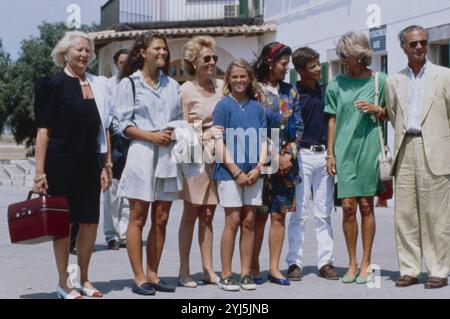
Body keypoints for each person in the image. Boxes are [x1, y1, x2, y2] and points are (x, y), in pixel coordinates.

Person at [33, 31, 112, 299]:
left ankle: (84, 278)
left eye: (88, 51)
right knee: (63, 224)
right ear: (64, 53)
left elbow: (104, 129)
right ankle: (63, 282)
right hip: (61, 164)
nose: (84, 55)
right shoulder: (53, 85)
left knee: (90, 222)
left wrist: (106, 165)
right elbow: (43, 132)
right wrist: (39, 173)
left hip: (90, 163)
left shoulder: (98, 85)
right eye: (79, 50)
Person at [113, 32, 182, 295]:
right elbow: (121, 125)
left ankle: (153, 273)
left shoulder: (173, 86)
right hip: (141, 152)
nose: (163, 53)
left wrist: (175, 132)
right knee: (138, 216)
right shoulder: (129, 84)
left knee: (162, 218)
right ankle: (139, 276)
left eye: (164, 49)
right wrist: (152, 135)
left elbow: (178, 119)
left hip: (166, 154)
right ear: (142, 52)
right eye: (157, 49)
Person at [385, 25, 450, 289]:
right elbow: (392, 113)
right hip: (405, 147)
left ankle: (438, 270)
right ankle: (410, 268)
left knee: (436, 214)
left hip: (434, 147)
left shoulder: (444, 76)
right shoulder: (394, 80)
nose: (420, 47)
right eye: (414, 44)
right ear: (403, 47)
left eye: (423, 42)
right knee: (406, 214)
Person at [324, 32, 388, 284]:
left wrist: (377, 109)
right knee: (348, 207)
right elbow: (332, 119)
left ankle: (366, 263)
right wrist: (330, 153)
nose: (342, 59)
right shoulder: (336, 84)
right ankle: (351, 263)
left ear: (360, 55)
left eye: (345, 55)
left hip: (369, 148)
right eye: (339, 54)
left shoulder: (379, 80)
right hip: (344, 149)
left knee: (366, 205)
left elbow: (391, 114)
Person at [213, 58, 268, 291]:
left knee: (249, 221)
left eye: (242, 76)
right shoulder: (223, 106)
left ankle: (245, 272)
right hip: (229, 173)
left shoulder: (257, 107)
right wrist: (236, 172)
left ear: (249, 78)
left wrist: (257, 168)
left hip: (254, 173)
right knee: (233, 220)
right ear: (228, 79)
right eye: (234, 76)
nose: (238, 80)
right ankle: (226, 273)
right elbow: (218, 142)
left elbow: (265, 140)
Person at [252, 42, 303, 285]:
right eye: (283, 64)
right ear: (270, 62)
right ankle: (253, 266)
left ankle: (274, 268)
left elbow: (298, 127)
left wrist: (288, 155)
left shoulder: (290, 91)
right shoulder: (254, 90)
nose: (286, 68)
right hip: (260, 162)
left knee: (279, 215)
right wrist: (273, 157)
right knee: (258, 215)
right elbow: (254, 128)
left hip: (285, 164)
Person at [286, 47, 338, 281]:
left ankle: (326, 262)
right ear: (300, 71)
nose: (318, 69)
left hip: (323, 155)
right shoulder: (293, 94)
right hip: (301, 157)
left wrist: (331, 154)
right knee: (299, 213)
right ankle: (294, 263)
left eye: (319, 64)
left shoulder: (325, 91)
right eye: (313, 66)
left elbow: (331, 122)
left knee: (323, 213)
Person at [177, 36, 223, 287]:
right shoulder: (185, 90)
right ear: (193, 62)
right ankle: (184, 270)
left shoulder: (222, 86)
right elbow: (181, 126)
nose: (212, 62)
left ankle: (208, 268)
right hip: (194, 158)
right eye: (206, 58)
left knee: (209, 213)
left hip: (217, 157)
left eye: (214, 58)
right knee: (190, 213)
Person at [103, 48, 130, 250]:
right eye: (122, 62)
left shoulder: (136, 84)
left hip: (132, 138)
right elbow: (106, 113)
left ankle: (125, 233)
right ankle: (111, 234)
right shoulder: (108, 85)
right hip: (114, 138)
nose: (125, 66)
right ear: (116, 64)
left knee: (129, 190)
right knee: (111, 191)